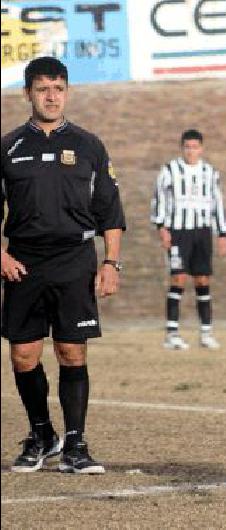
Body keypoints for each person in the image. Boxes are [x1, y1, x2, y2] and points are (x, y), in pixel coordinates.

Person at [1, 57, 125, 474]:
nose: (51, 97)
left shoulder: (90, 145)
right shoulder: (8, 148)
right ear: (28, 94)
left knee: (72, 351)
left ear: (67, 92)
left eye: (58, 88)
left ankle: (75, 444)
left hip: (75, 259)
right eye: (42, 89)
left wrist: (111, 262)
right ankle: (41, 434)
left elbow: (110, 210)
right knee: (23, 355)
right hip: (23, 262)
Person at [150, 129, 226, 350]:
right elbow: (159, 199)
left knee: (203, 280)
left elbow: (218, 203)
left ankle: (206, 333)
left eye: (195, 147)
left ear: (201, 149)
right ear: (182, 148)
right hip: (178, 231)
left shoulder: (210, 172)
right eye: (187, 147)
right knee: (178, 279)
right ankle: (172, 334)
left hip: (202, 231)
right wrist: (162, 227)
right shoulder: (169, 170)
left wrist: (222, 233)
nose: (191, 151)